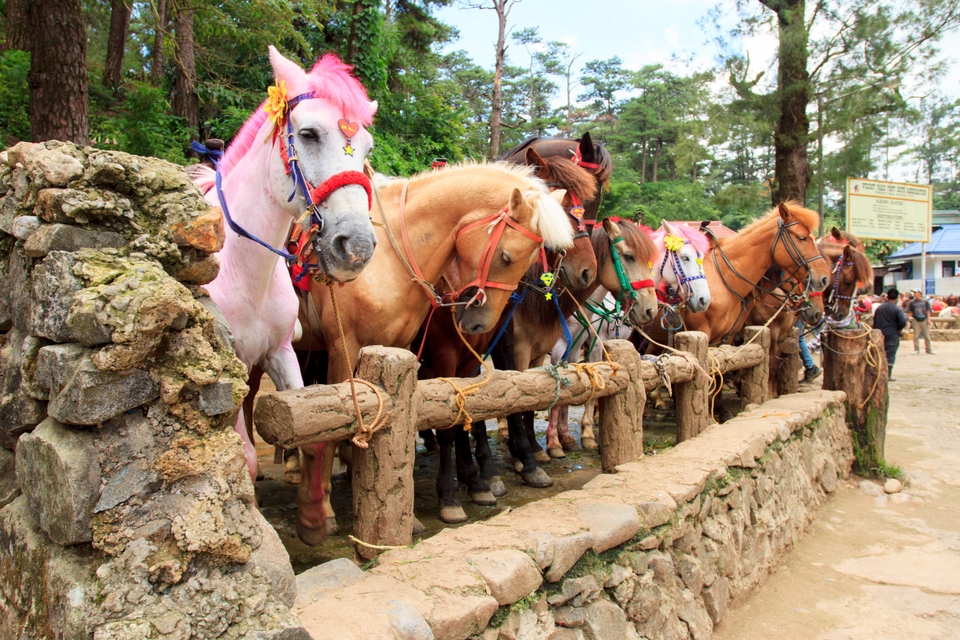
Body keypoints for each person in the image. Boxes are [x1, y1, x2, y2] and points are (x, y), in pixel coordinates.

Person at [873, 288, 908, 380]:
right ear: (897, 297)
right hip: (893, 334)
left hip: (879, 334)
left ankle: (878, 373)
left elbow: (875, 321)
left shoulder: (880, 308)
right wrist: (899, 328)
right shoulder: (897, 309)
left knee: (879, 354)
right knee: (890, 355)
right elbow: (903, 321)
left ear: (887, 296)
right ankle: (887, 375)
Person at [906, 288, 935, 354]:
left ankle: (929, 349)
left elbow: (928, 310)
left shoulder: (925, 301)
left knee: (927, 335)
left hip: (924, 318)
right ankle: (916, 349)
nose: (914, 294)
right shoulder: (911, 302)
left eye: (915, 292)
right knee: (916, 335)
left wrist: (928, 319)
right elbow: (908, 311)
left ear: (919, 293)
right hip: (915, 319)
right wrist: (908, 319)